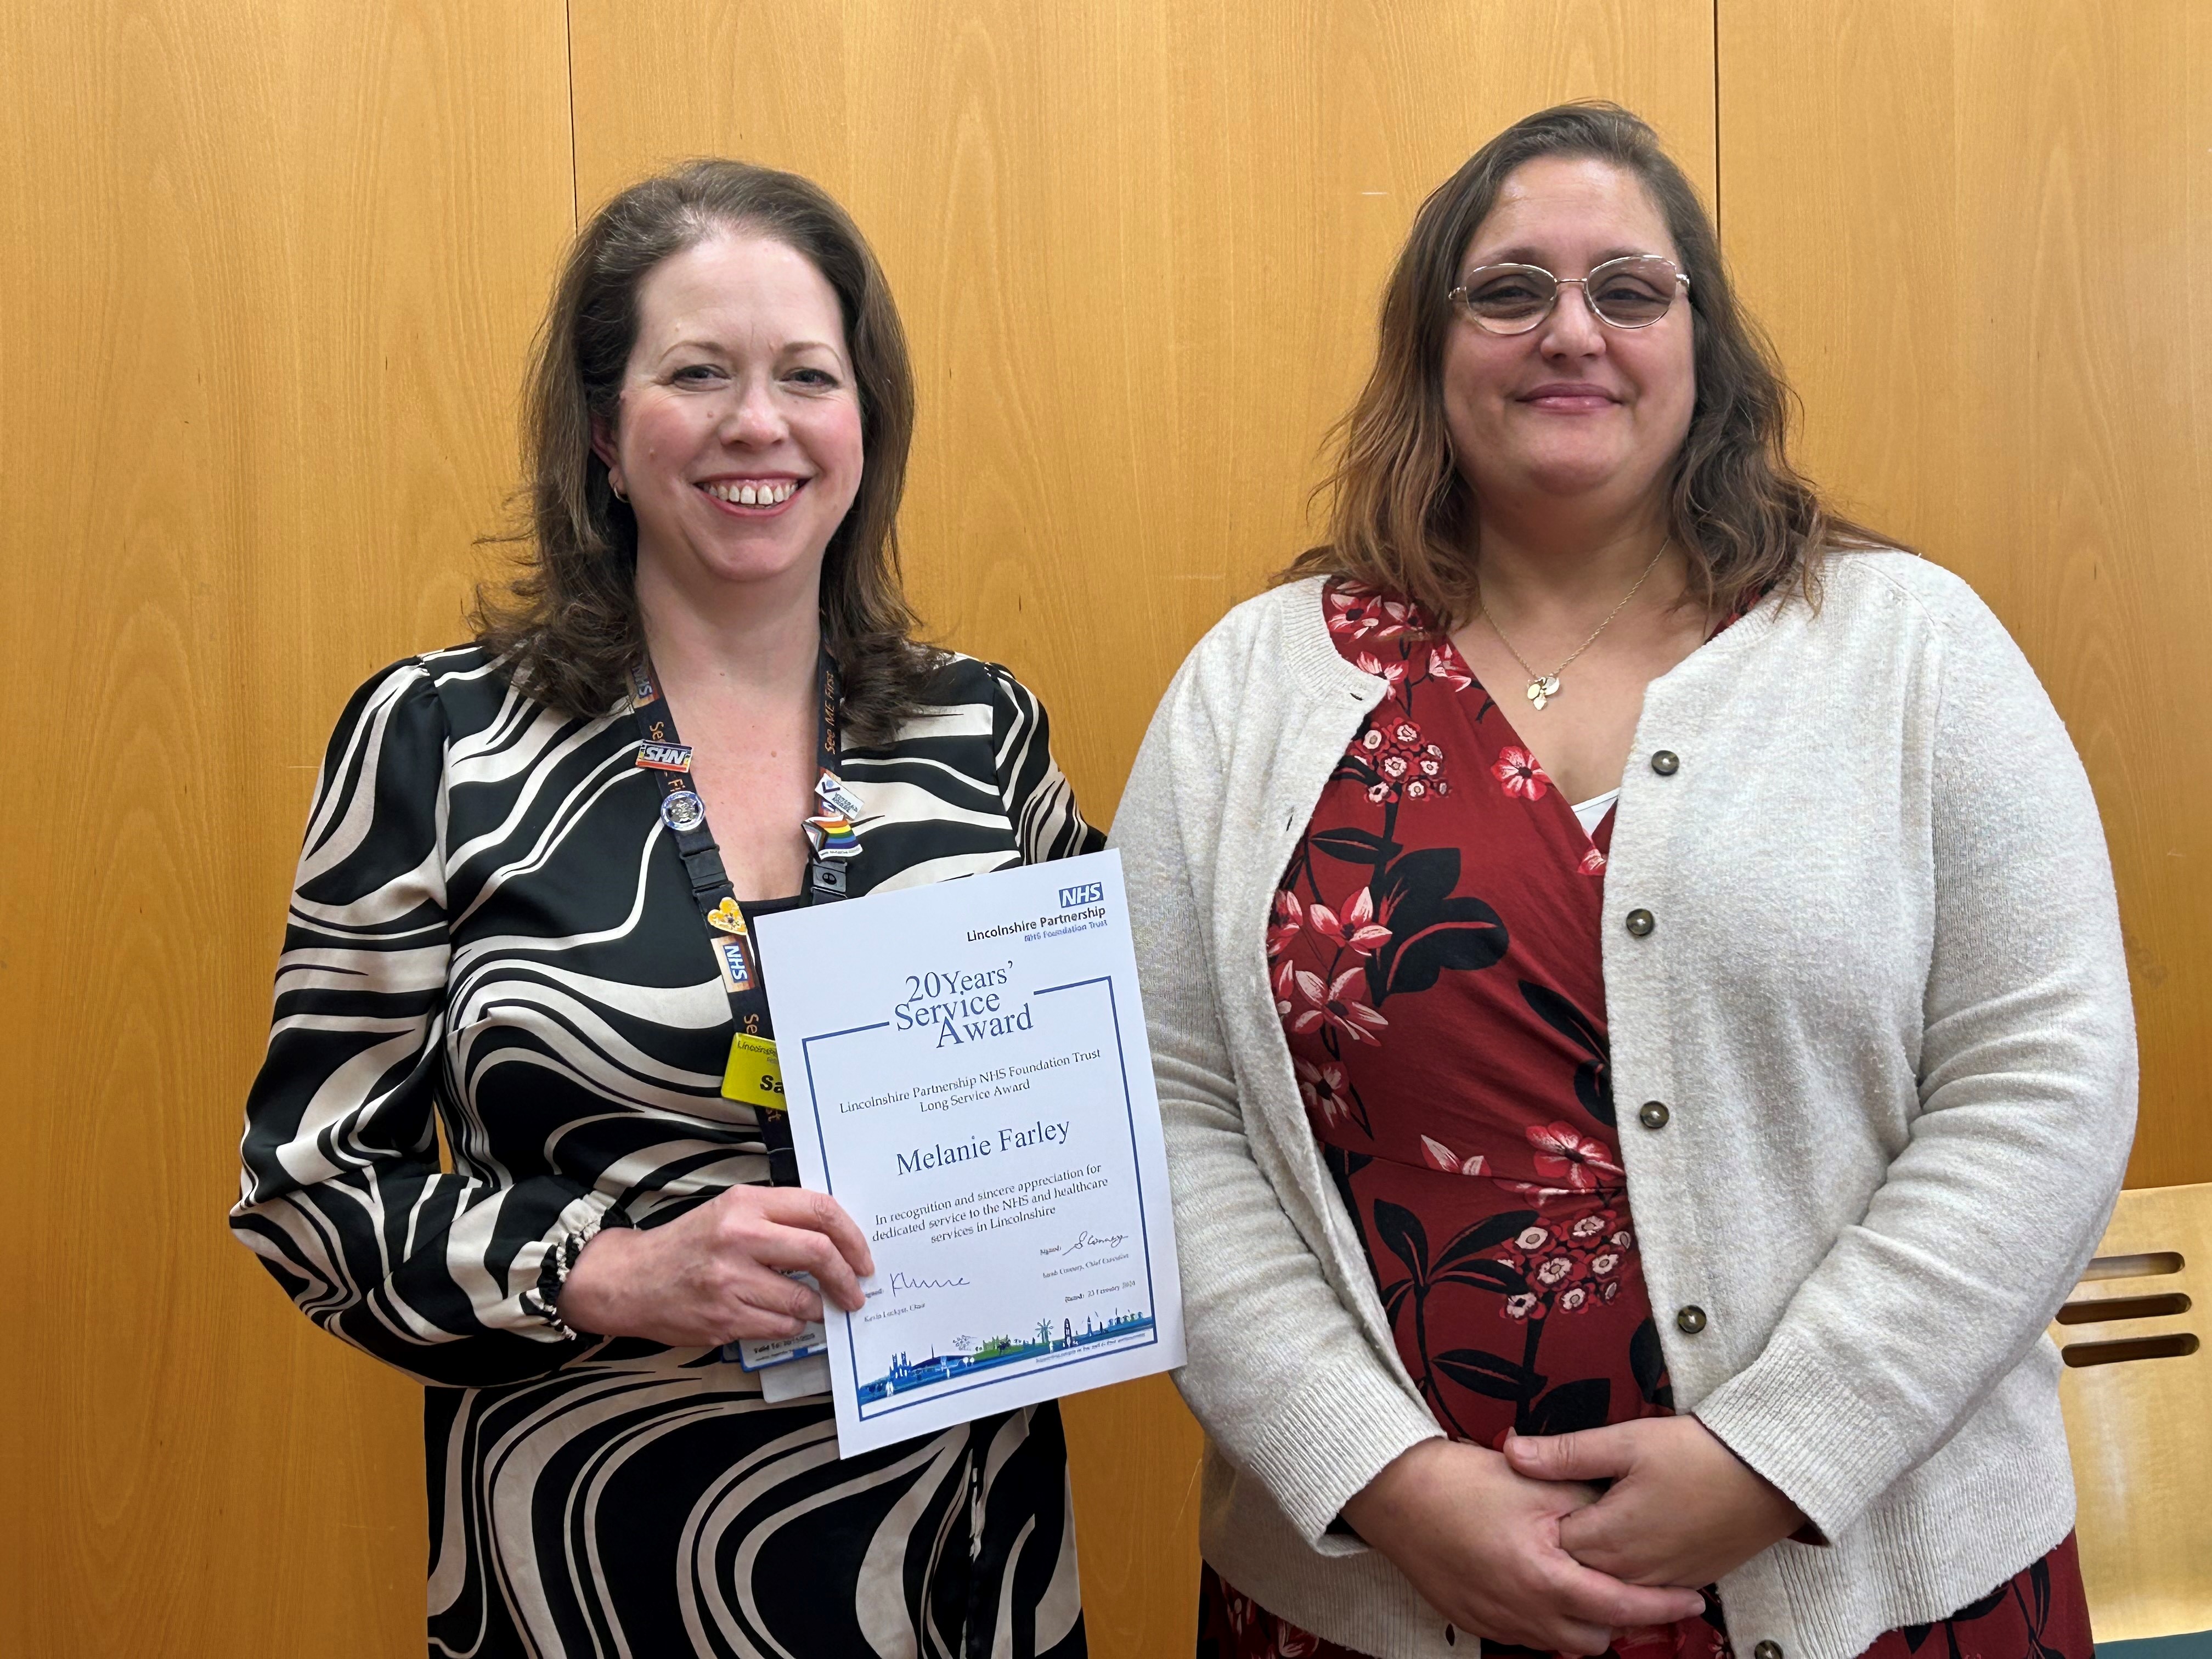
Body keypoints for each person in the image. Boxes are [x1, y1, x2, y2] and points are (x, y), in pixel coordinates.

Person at [1111, 103, 2133, 1659]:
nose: (1569, 332)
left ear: (1702, 346)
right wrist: (1376, 1476)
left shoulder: (1910, 652)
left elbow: (2046, 1077)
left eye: (1629, 290)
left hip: (1875, 1585)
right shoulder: (1256, 688)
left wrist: (1781, 1454)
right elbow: (1160, 1109)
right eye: (1509, 287)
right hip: (1377, 1600)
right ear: (1431, 345)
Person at [230, 160, 1097, 1658]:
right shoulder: (440, 744)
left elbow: (1095, 1120)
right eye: (697, 374)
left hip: (960, 1562)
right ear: (602, 437)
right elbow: (308, 1193)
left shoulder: (983, 735)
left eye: (806, 377)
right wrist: (613, 1270)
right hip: (589, 1559)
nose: (757, 424)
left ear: (865, 426)